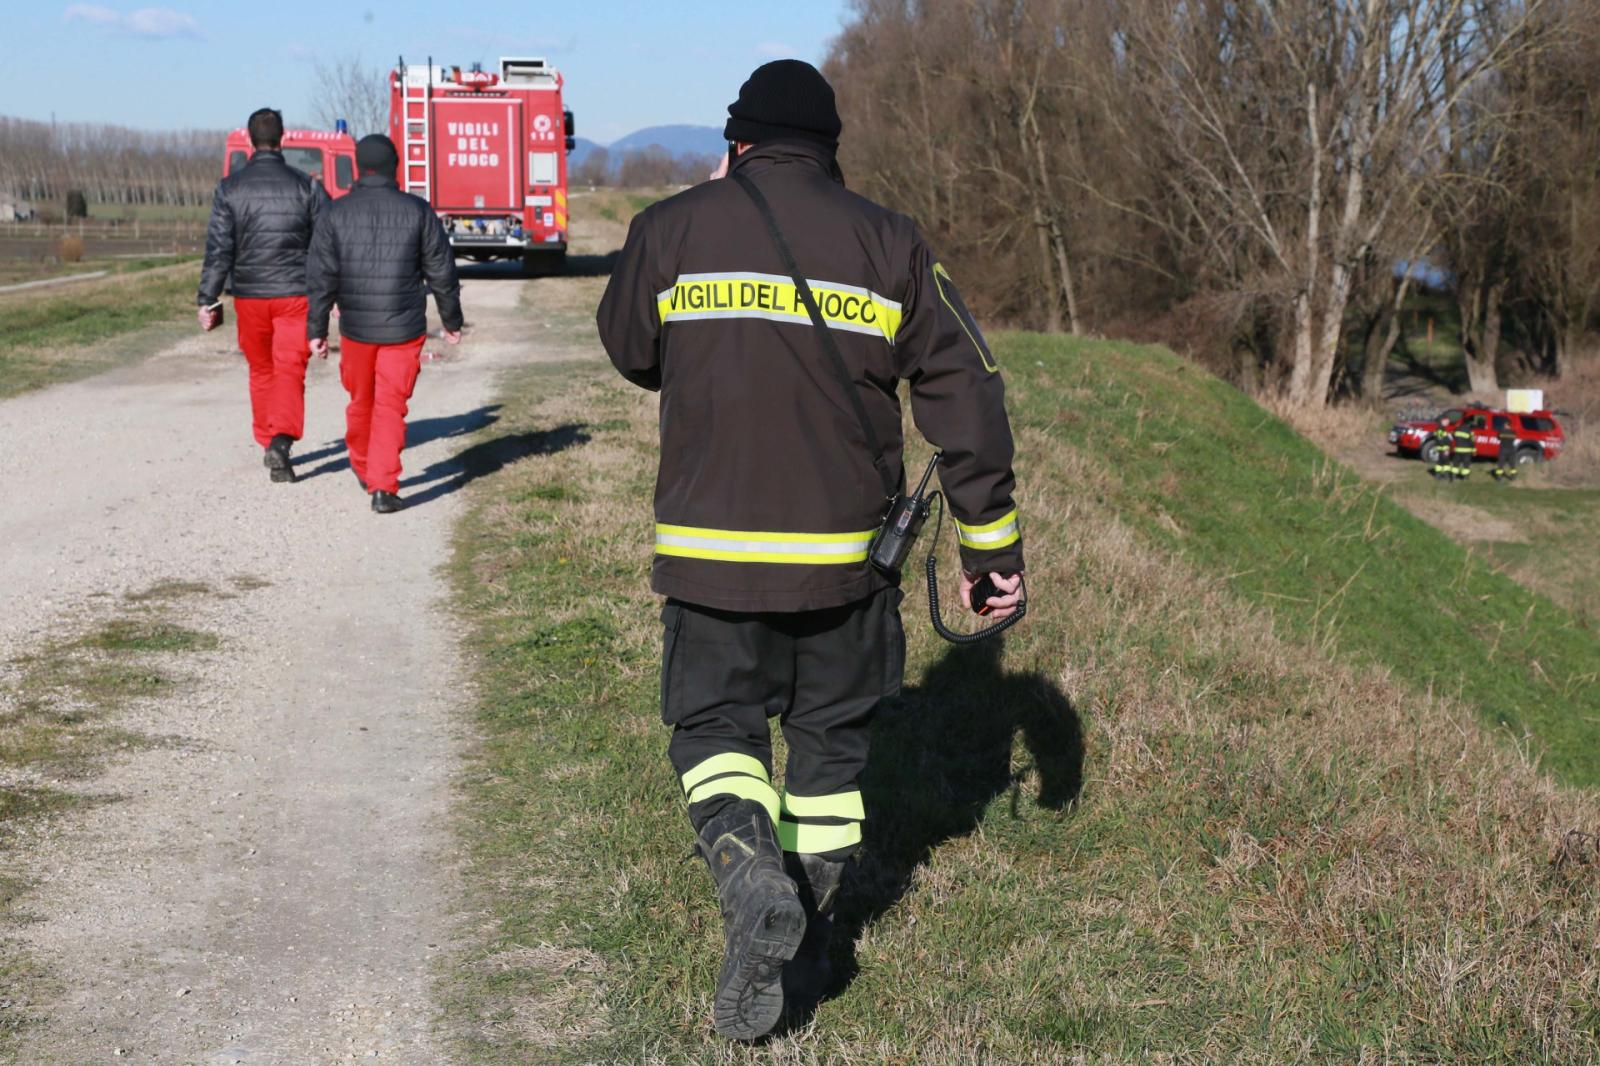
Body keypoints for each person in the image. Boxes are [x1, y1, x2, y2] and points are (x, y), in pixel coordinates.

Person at [596, 60, 1025, 1040]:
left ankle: (751, 874)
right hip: (847, 563)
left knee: (714, 730)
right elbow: (970, 390)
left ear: (735, 144)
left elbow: (629, 347)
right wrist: (988, 546)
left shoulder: (672, 228)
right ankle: (808, 953)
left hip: (708, 560)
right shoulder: (890, 241)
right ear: (831, 152)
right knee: (828, 752)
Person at [305, 135, 463, 513]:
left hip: (356, 327)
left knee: (362, 401)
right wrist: (451, 320)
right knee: (390, 404)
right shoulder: (418, 211)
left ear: (359, 166)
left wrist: (316, 329)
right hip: (404, 327)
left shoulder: (335, 213)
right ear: (395, 166)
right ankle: (383, 484)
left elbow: (320, 276)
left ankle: (369, 470)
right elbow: (442, 270)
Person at [197, 107, 329, 482]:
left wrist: (207, 298)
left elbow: (219, 248)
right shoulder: (307, 186)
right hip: (296, 293)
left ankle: (270, 440)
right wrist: (331, 295)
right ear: (282, 138)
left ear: (250, 141)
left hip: (251, 295)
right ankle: (281, 442)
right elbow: (325, 245)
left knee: (261, 370)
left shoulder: (230, 188)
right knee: (290, 367)